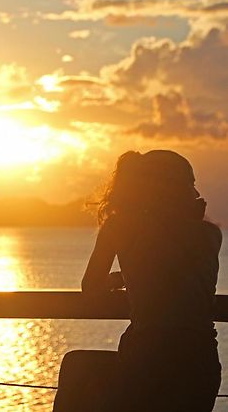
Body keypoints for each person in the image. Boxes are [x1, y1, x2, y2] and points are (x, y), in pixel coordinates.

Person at [53, 150, 222, 412]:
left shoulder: (119, 227)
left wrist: (120, 280)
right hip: (200, 368)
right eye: (190, 184)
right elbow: (174, 269)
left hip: (145, 363)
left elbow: (91, 288)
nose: (196, 192)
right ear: (171, 189)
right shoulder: (210, 235)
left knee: (76, 366)